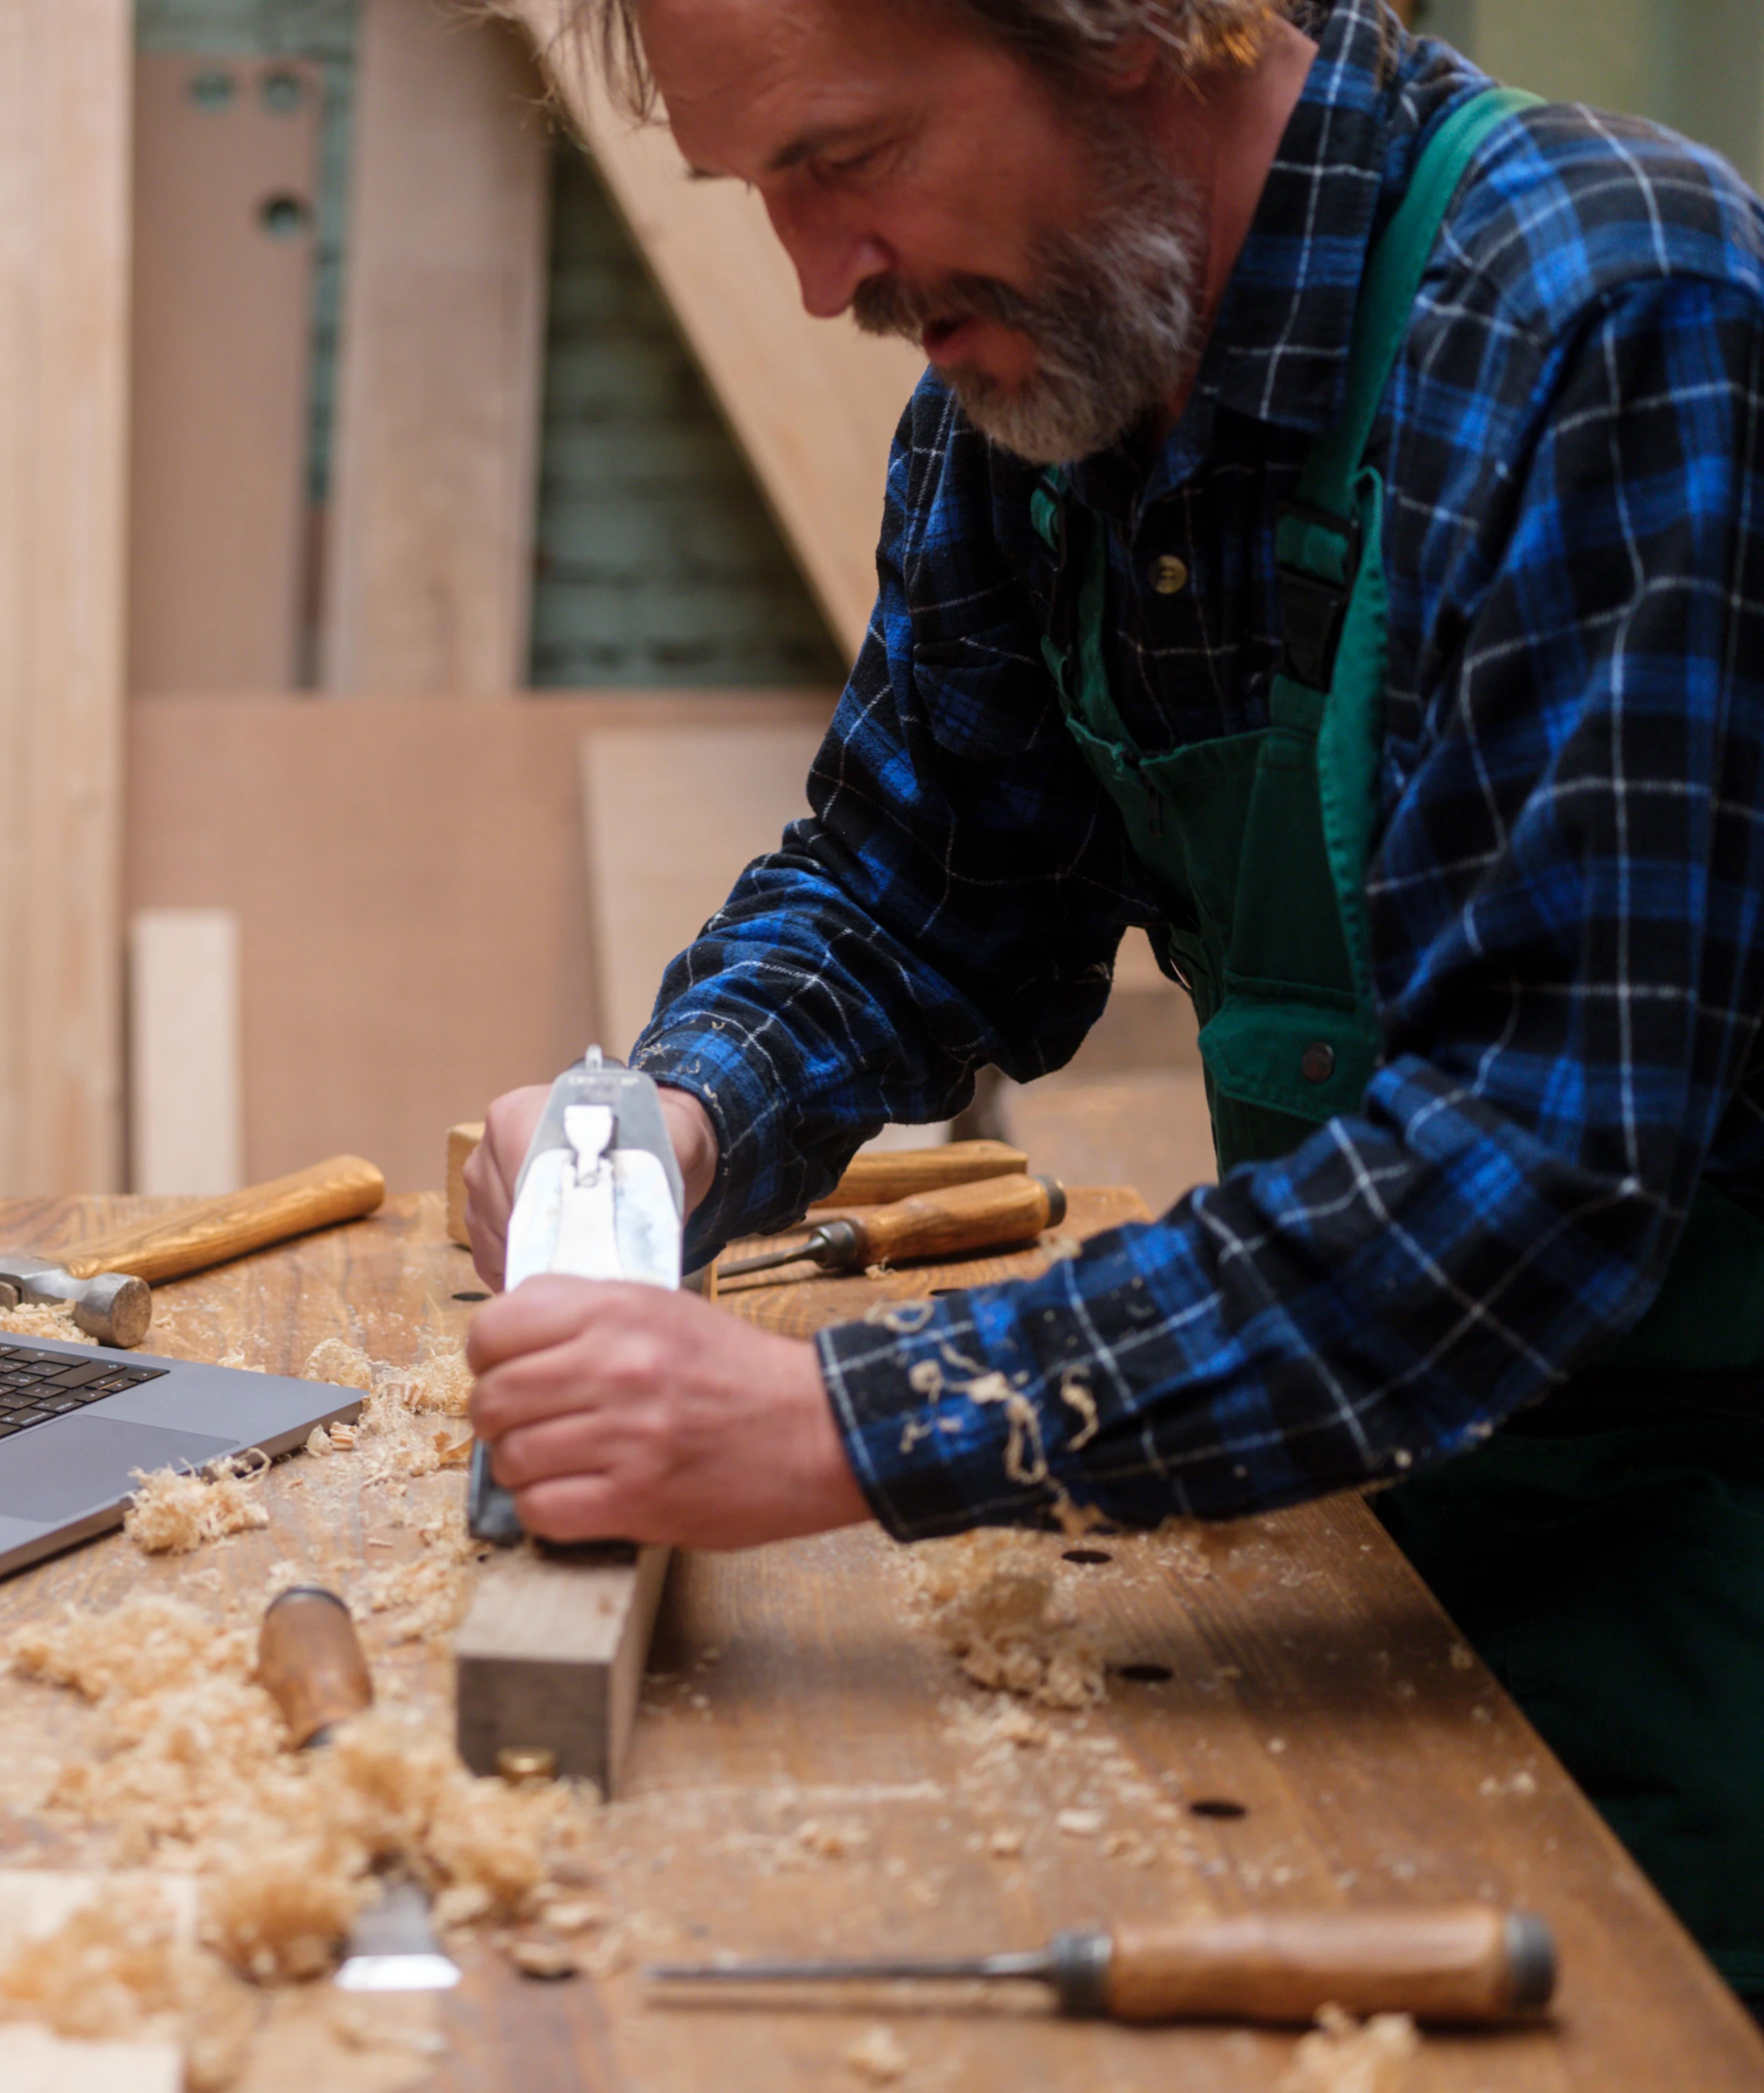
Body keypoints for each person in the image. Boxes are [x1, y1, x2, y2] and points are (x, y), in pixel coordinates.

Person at [460, 0, 1764, 2001]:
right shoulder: (1055, 395)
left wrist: (842, 1421)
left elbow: (1540, 1155)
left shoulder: (1606, 312)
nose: (822, 285)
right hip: (1395, 1520)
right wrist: (680, 1117)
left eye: (845, 159)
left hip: (1703, 1582)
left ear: (1130, 28)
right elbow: (914, 882)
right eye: (765, 200)